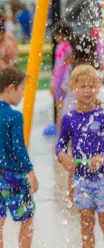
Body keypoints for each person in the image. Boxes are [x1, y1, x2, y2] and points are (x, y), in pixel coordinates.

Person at [56, 65, 104, 248]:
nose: (88, 91)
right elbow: (60, 144)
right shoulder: (69, 119)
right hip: (81, 180)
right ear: (73, 88)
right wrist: (62, 156)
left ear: (98, 87)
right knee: (86, 225)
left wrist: (103, 156)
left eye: (92, 86)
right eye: (82, 86)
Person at [0, 67, 39, 248]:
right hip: (13, 175)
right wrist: (30, 171)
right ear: (10, 88)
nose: (23, 95)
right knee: (27, 219)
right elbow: (18, 147)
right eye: (22, 89)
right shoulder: (14, 116)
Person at [50, 21, 75, 129]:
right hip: (67, 79)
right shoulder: (69, 46)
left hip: (60, 79)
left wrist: (53, 83)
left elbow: (58, 66)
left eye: (56, 34)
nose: (55, 37)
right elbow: (69, 65)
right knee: (67, 107)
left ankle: (60, 136)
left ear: (60, 35)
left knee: (60, 109)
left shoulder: (61, 46)